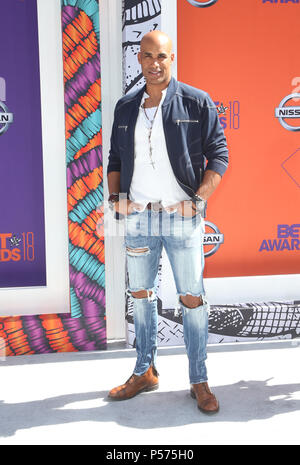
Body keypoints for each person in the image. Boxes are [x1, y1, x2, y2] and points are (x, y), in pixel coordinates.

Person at [106, 30, 228, 414]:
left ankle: (199, 379)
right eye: (147, 56)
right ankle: (145, 371)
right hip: (139, 216)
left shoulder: (196, 101)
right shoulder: (125, 107)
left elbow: (219, 155)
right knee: (141, 297)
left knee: (192, 300)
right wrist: (116, 199)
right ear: (138, 60)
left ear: (171, 59)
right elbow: (115, 159)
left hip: (181, 216)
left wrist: (198, 200)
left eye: (161, 56)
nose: (154, 63)